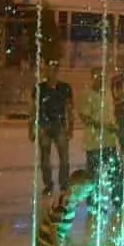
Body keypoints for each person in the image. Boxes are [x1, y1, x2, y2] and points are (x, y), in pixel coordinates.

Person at [79, 68, 122, 212]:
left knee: (114, 172)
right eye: (97, 77)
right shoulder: (87, 95)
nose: (100, 80)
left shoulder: (107, 94)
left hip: (109, 141)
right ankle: (93, 204)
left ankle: (118, 201)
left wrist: (114, 127)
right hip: (94, 143)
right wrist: (104, 126)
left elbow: (111, 114)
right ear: (92, 77)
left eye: (103, 77)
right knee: (93, 175)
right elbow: (84, 117)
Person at [31, 61, 75, 195]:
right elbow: (33, 109)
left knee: (64, 157)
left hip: (59, 124)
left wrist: (70, 127)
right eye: (47, 70)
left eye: (52, 70)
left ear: (56, 71)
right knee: (45, 158)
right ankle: (48, 184)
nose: (49, 73)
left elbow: (70, 108)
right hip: (44, 126)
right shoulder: (39, 88)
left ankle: (63, 183)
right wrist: (32, 127)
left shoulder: (64, 88)